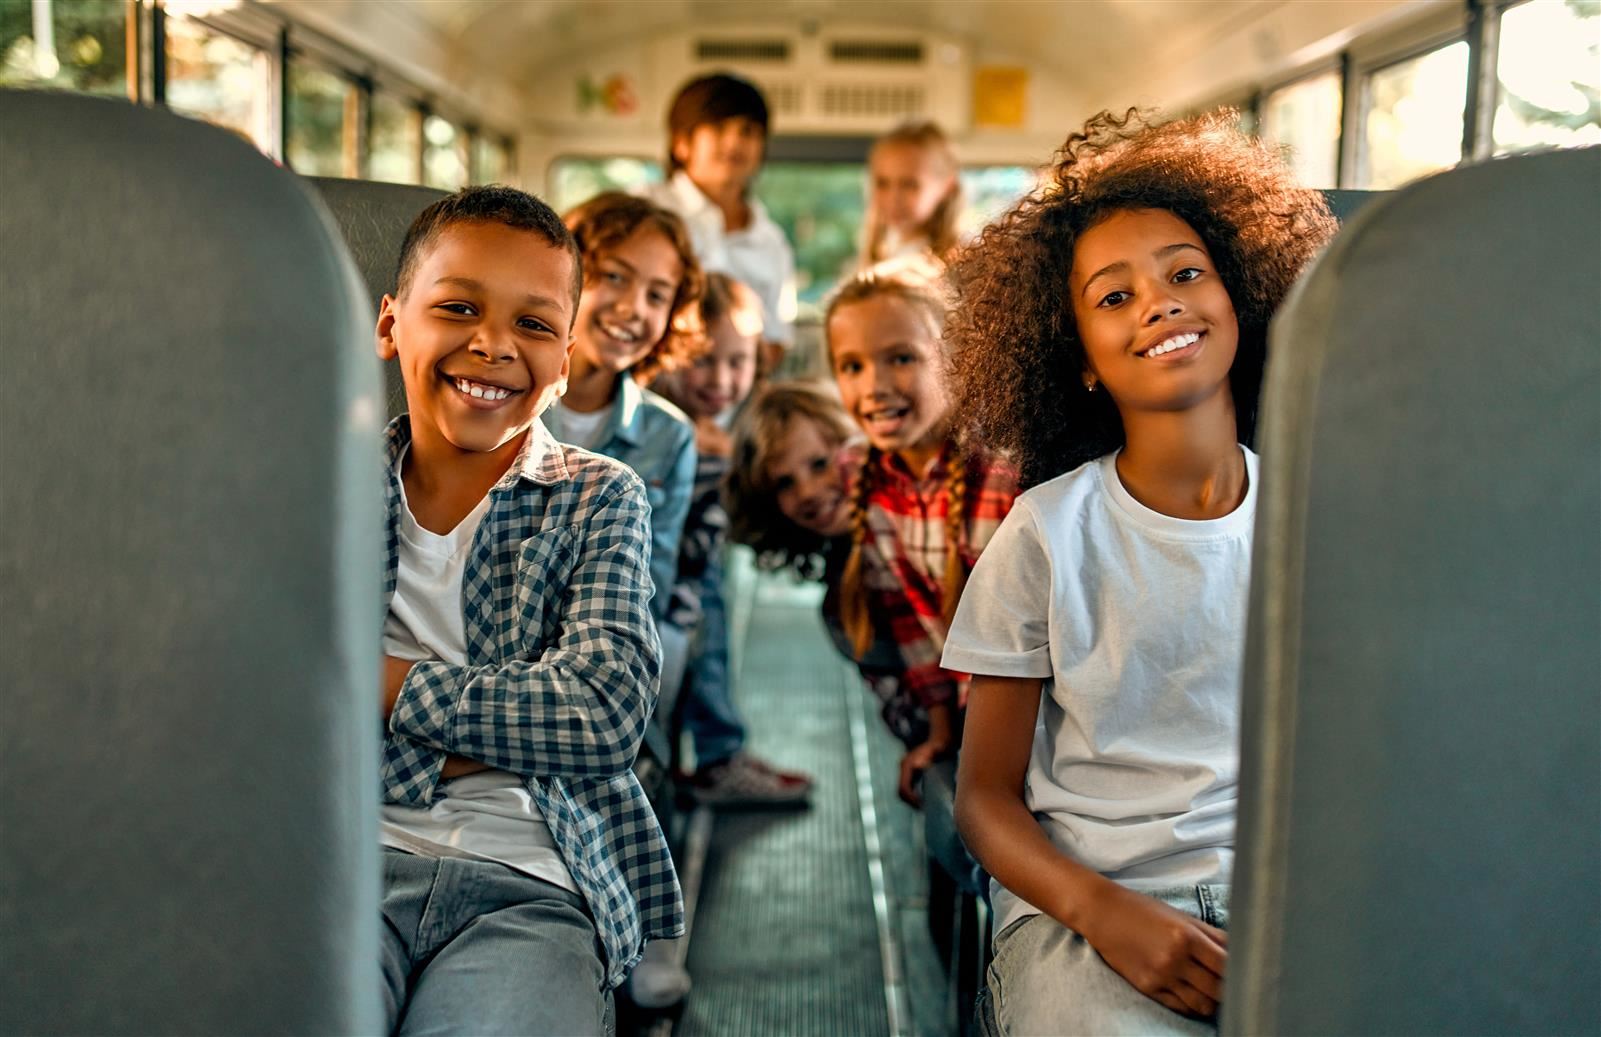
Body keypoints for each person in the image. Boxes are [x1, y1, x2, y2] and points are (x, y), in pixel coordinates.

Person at [940, 109, 1336, 1036]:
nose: (1159, 302)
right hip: (1088, 905)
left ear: (1241, 296)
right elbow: (983, 797)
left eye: (1184, 273)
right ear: (1076, 358)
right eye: (1113, 297)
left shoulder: (1323, 520)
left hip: (1292, 896)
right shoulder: (1046, 534)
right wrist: (1103, 913)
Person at [374, 185, 682, 1034]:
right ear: (391, 322)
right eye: (459, 307)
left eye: (535, 325)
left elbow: (600, 716)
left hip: (532, 877)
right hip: (333, 862)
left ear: (566, 358)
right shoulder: (324, 479)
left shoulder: (597, 497)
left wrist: (382, 683)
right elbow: (274, 701)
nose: (493, 344)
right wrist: (496, 738)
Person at [825, 273, 1020, 805]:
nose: (874, 386)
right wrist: (941, 733)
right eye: (853, 367)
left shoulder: (1004, 472)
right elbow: (911, 619)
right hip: (961, 708)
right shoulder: (861, 471)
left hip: (1035, 712)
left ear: (957, 361)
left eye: (902, 358)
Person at [650, 274, 813, 806]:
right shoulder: (678, 433)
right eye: (703, 359)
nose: (721, 378)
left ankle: (711, 755)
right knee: (707, 632)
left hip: (697, 574)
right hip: (671, 585)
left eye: (737, 361)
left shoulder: (719, 427)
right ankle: (716, 757)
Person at [723, 380, 919, 749]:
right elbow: (906, 714)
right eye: (784, 483)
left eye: (819, 464)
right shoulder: (842, 607)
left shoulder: (920, 532)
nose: (808, 492)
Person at [544, 191, 702, 632]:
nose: (633, 308)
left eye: (657, 295)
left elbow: (649, 590)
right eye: (614, 276)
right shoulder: (505, 400)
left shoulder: (670, 437)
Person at [640, 72, 797, 371]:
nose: (735, 141)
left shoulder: (771, 241)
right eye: (719, 127)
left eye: (748, 131)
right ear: (681, 143)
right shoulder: (643, 211)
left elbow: (776, 340)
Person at [857, 121, 962, 280]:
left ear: (947, 187)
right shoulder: (882, 251)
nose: (893, 199)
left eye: (910, 185)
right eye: (882, 183)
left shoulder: (948, 270)